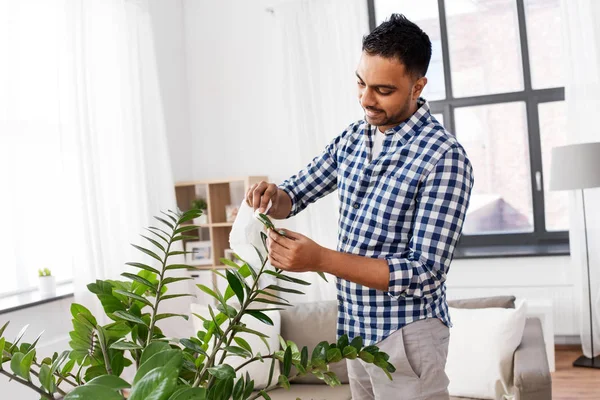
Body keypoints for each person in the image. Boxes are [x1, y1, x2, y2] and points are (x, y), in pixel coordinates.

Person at [245, 14, 474, 400]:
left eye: (383, 90)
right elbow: (295, 194)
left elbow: (424, 274)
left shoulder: (444, 158)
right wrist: (271, 195)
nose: (366, 99)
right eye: (360, 82)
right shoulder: (355, 137)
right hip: (354, 331)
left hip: (407, 334)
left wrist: (319, 258)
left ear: (418, 86)